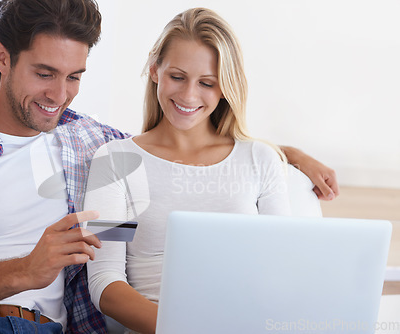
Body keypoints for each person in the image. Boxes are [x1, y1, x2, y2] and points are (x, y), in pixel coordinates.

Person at [0, 1, 337, 333]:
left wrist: (282, 154)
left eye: (74, 77)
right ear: (2, 58)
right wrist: (27, 270)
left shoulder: (92, 142)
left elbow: (178, 142)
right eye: (45, 73)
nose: (59, 95)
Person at [83, 8, 335, 334]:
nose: (189, 95)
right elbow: (105, 282)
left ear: (225, 87)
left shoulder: (260, 159)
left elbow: (280, 270)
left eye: (207, 83)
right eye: (177, 76)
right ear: (154, 69)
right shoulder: (115, 162)